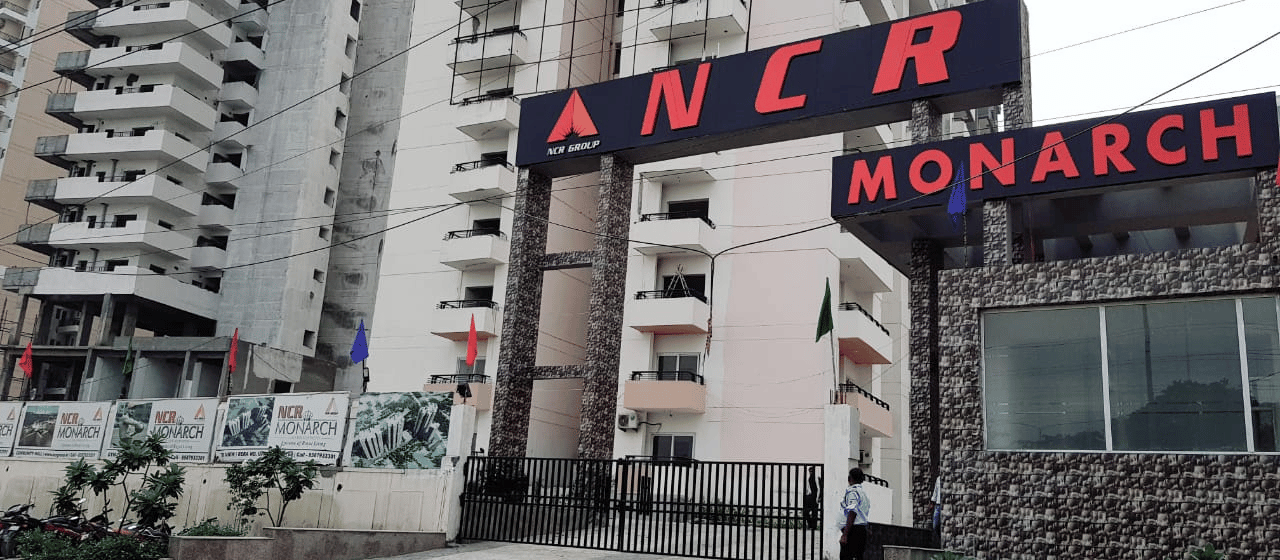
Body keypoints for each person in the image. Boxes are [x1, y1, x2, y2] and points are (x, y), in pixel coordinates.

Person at [838, 467, 871, 560]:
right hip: (861, 530)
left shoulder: (853, 492)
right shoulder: (863, 493)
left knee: (846, 556)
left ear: (850, 478)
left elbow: (852, 512)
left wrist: (845, 534)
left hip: (853, 531)